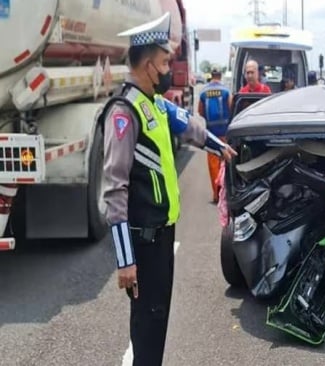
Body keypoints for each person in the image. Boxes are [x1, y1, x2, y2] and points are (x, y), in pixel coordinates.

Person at [101, 12, 237, 365]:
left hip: (161, 237)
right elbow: (114, 188)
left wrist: (219, 146)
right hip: (143, 244)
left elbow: (189, 126)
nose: (167, 71)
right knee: (146, 328)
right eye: (164, 63)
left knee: (156, 321)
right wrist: (125, 259)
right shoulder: (124, 112)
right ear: (148, 65)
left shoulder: (155, 104)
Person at [198, 69, 232, 204]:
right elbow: (231, 108)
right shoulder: (226, 91)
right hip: (225, 133)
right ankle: (226, 193)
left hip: (211, 134)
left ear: (211, 76)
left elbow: (199, 111)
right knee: (225, 162)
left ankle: (216, 195)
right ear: (220, 76)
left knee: (213, 165)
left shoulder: (203, 92)